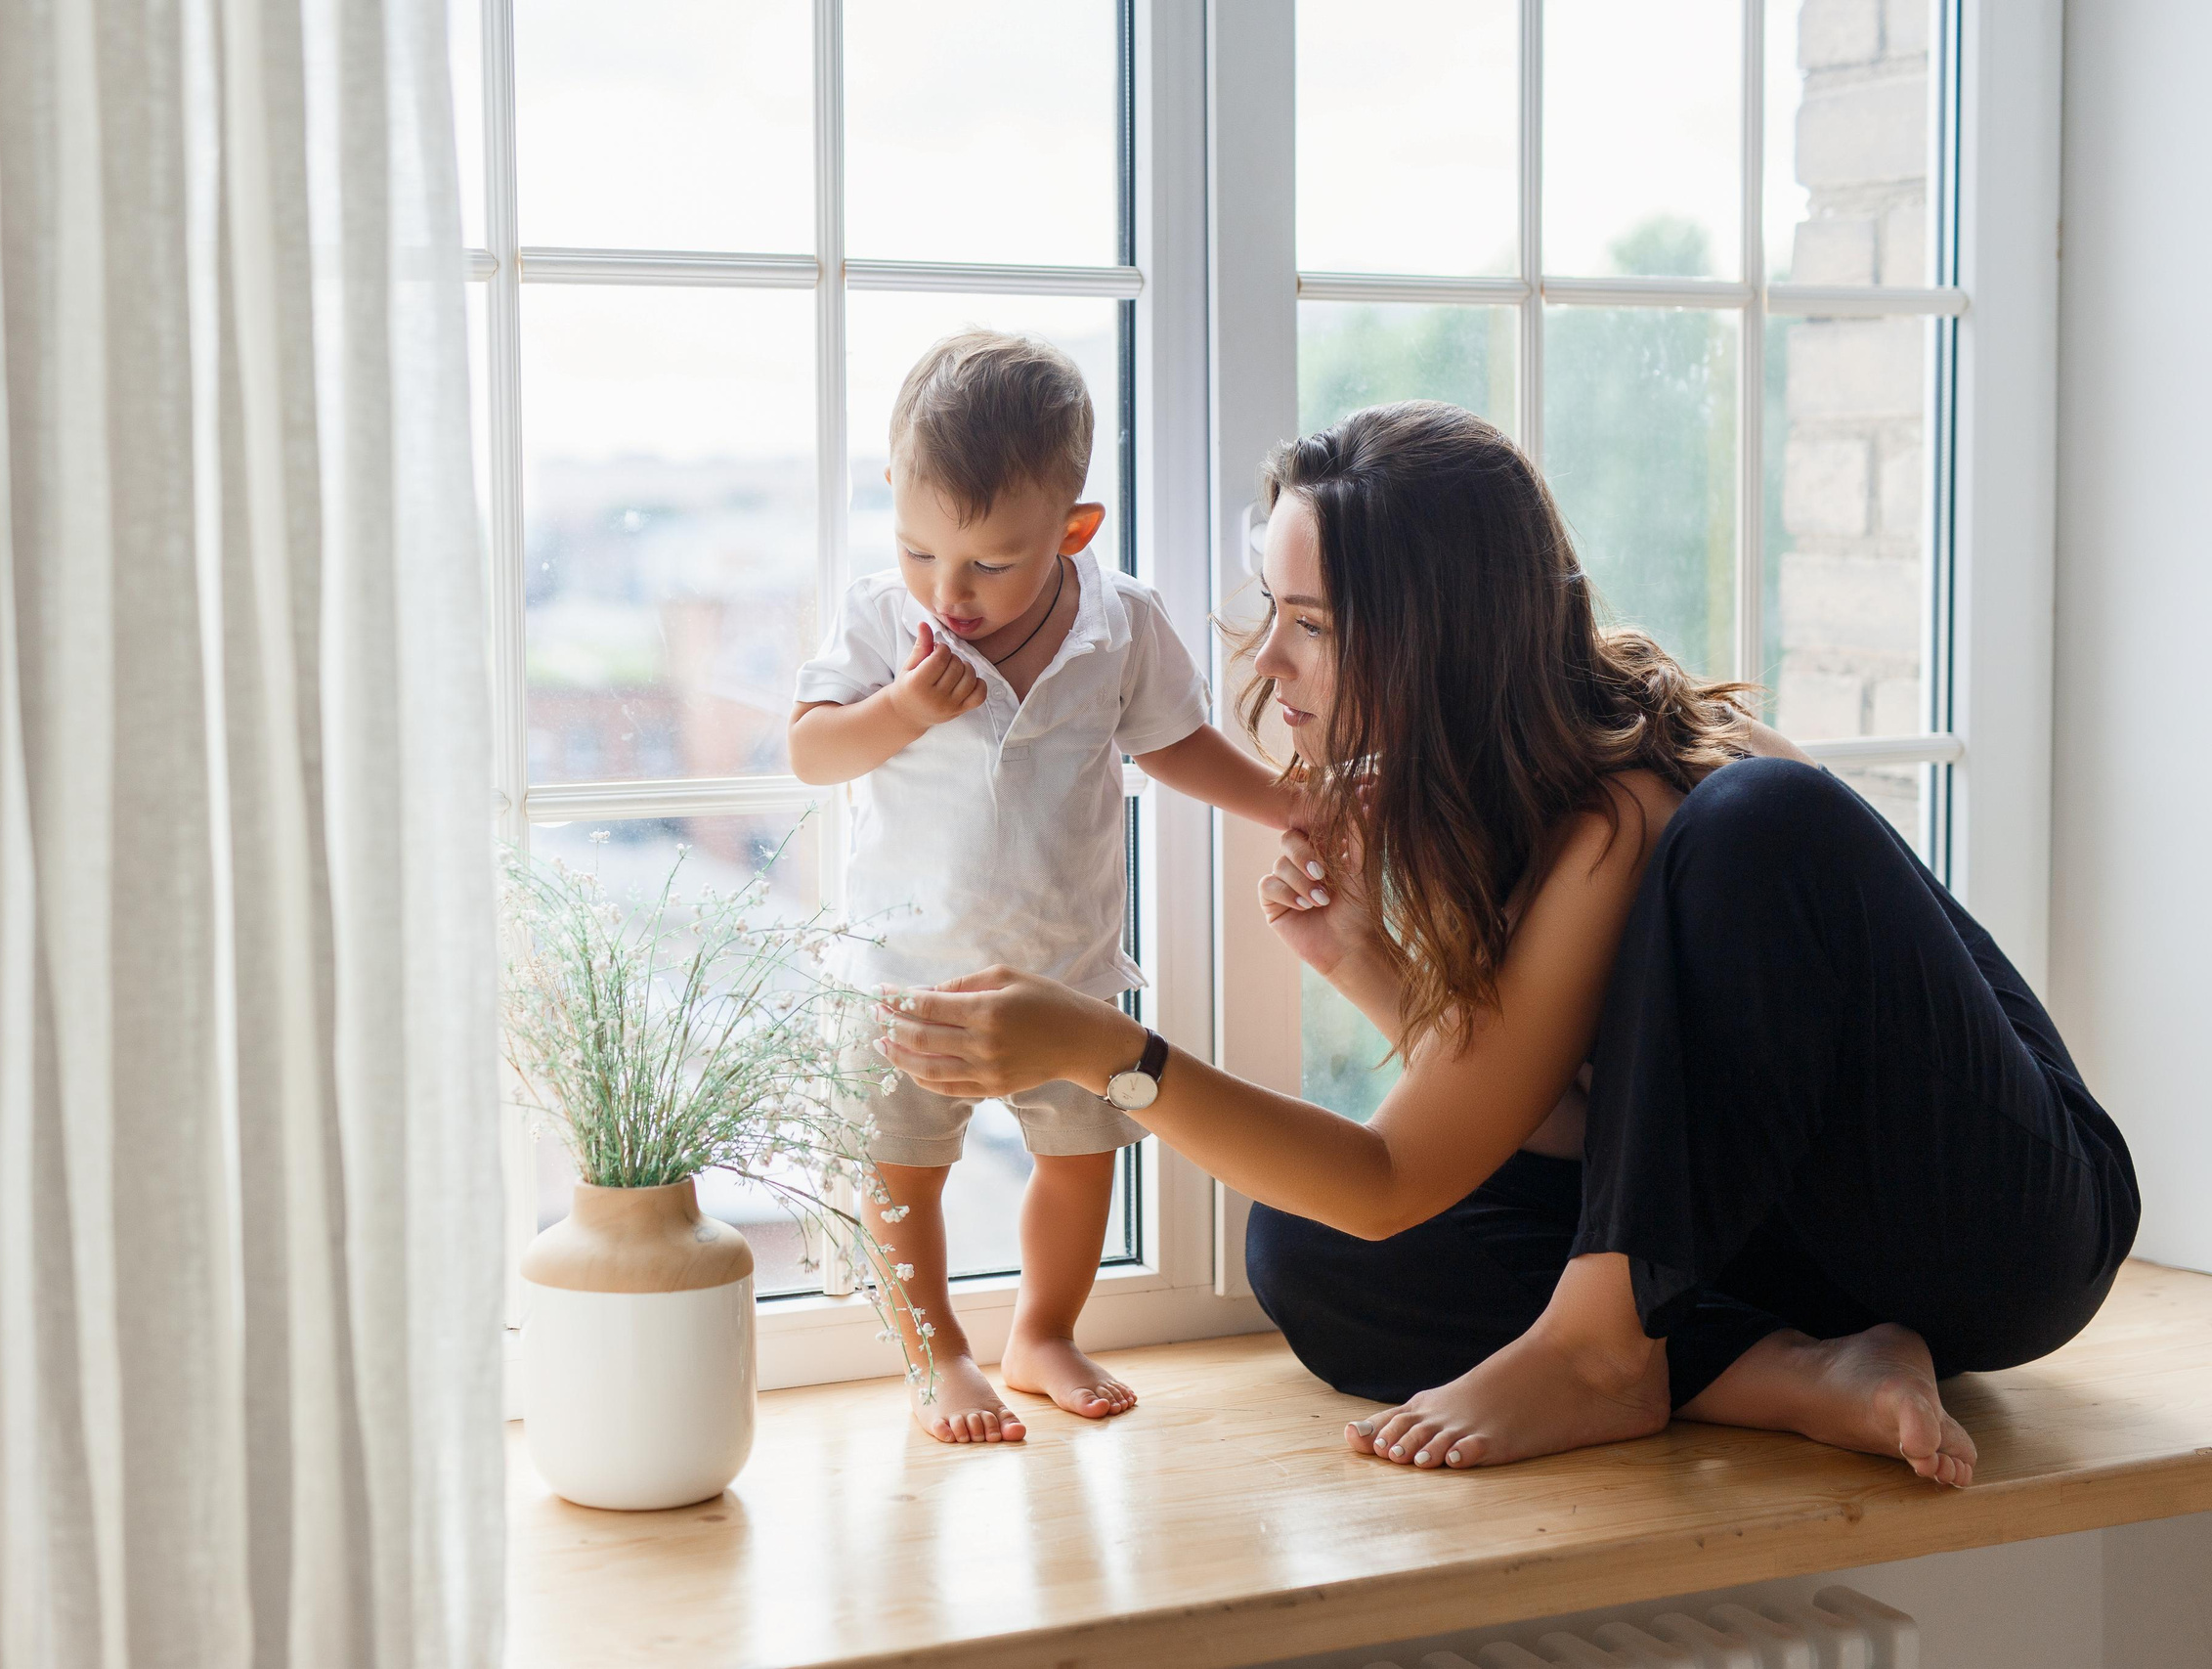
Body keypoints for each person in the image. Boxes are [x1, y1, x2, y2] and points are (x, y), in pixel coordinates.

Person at [873, 401, 2139, 1482]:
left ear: (1436, 633)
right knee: (1309, 1244)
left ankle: (1606, 1347)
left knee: (1762, 813)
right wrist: (1361, 958)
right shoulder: (1480, 801)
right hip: (1792, 1243)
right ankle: (1792, 1370)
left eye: (1309, 621)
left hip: (1995, 1221)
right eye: (1274, 609)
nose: (1267, 659)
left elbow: (1471, 1154)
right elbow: (1521, 1146)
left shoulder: (1646, 781)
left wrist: (1107, 1048)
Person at [789, 330, 1298, 1445]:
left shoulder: (1119, 621)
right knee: (903, 1179)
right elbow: (813, 754)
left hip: (1064, 978)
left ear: (1073, 533)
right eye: (921, 552)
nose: (949, 591)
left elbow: (1176, 744)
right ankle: (936, 1358)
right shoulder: (883, 620)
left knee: (1078, 1165)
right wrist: (900, 713)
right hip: (906, 978)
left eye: (989, 563)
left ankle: (1044, 1332)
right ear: (892, 504)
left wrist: (1289, 805)